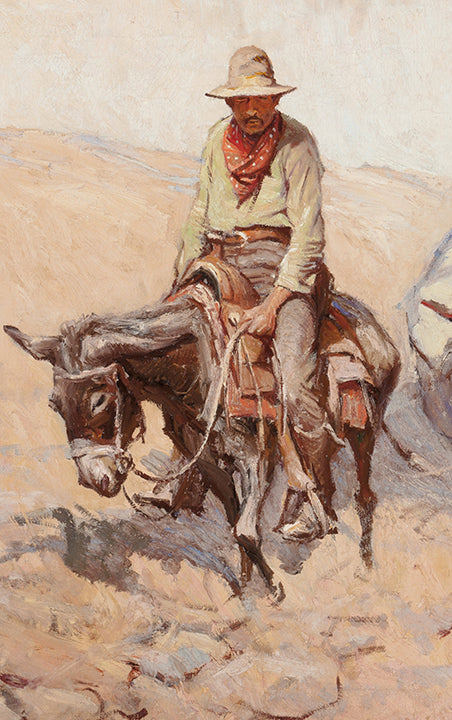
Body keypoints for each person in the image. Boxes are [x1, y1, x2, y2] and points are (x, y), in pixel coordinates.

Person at [176, 46, 333, 540]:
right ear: (230, 103)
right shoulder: (214, 141)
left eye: (260, 99)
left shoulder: (298, 145)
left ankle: (314, 495)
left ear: (274, 100)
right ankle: (187, 471)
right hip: (221, 263)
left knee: (295, 381)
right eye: (242, 100)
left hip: (281, 269)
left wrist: (273, 304)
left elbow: (308, 237)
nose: (251, 109)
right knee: (174, 355)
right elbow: (199, 215)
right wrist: (185, 276)